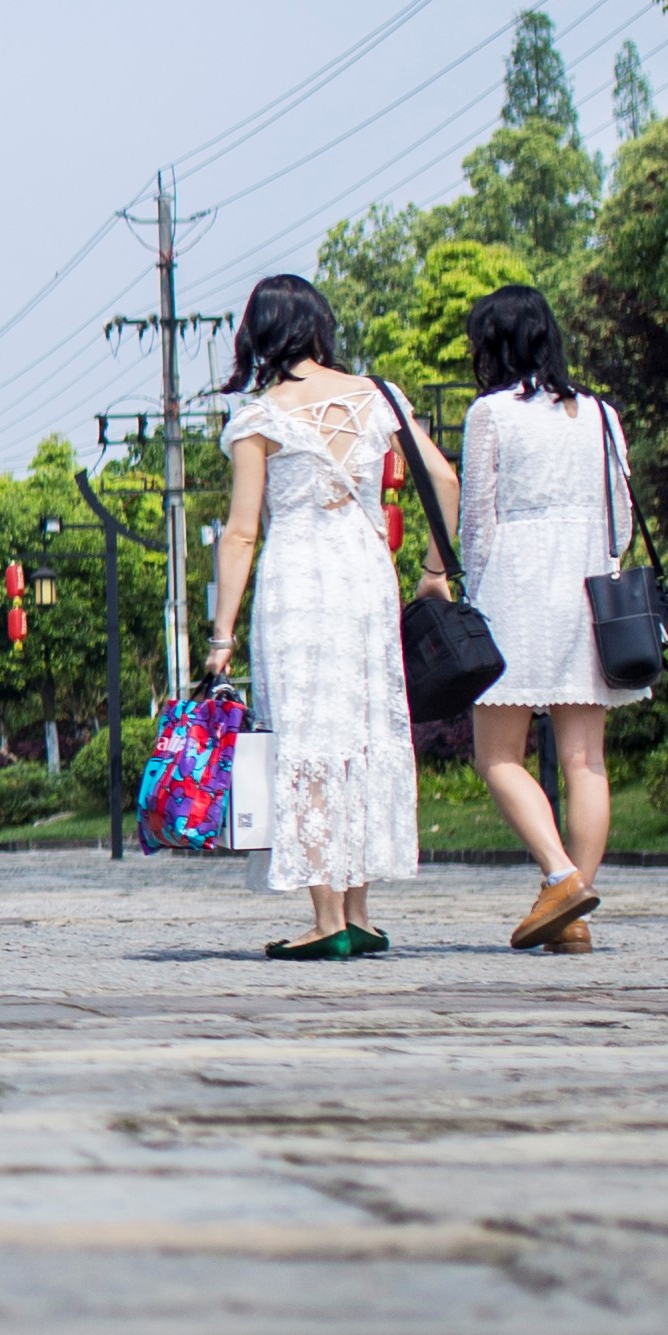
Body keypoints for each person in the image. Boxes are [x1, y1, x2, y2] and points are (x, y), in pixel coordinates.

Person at [205, 274, 452, 960]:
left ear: (259, 333)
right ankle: (363, 910)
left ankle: (325, 917)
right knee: (364, 729)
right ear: (318, 326)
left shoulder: (261, 416)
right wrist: (433, 574)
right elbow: (447, 481)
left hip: (300, 584)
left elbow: (241, 534)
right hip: (366, 577)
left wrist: (220, 637)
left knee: (309, 735)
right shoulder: (379, 396)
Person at [454, 283, 636, 952]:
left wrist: (473, 591)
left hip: (517, 589)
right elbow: (619, 514)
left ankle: (561, 878)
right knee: (587, 757)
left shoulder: (492, 414)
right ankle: (574, 911)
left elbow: (477, 522)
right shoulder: (599, 413)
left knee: (497, 752)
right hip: (590, 585)